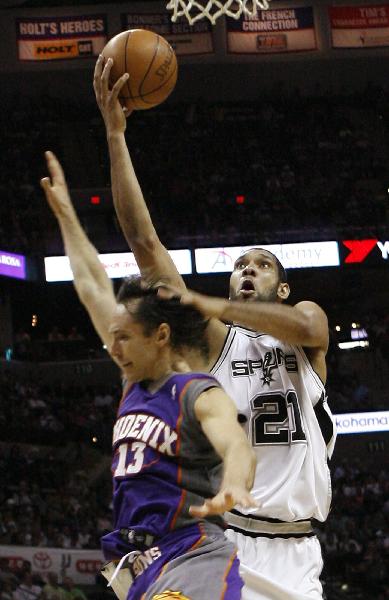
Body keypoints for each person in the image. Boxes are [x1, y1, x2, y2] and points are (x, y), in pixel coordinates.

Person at [93, 56, 337, 600]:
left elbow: (304, 326)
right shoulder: (212, 341)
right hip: (223, 544)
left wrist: (214, 303)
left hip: (297, 555)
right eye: (241, 265)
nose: (248, 269)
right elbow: (144, 243)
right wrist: (115, 135)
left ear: (281, 287)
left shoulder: (307, 325)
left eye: (262, 265)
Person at [40, 151, 257, 600]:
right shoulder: (132, 380)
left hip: (191, 555)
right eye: (111, 336)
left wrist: (235, 483)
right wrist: (65, 214)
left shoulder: (199, 392)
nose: (112, 346)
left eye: (123, 337)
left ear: (160, 336)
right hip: (138, 563)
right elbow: (90, 285)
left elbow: (236, 443)